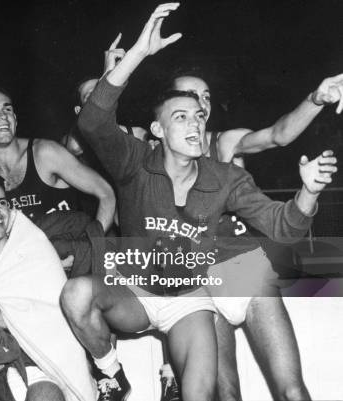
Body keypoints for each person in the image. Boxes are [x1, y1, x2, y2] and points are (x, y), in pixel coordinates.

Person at [63, 4, 337, 401]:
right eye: (185, 108)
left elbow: (279, 143)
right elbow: (94, 123)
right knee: (223, 393)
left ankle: (171, 369)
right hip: (177, 282)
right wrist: (136, 54)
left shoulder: (225, 152)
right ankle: (121, 371)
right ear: (158, 126)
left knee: (291, 390)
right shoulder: (138, 158)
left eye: (203, 105)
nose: (197, 116)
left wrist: (308, 186)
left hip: (231, 270)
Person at [164, 54, 343, 401]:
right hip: (196, 282)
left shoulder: (224, 143)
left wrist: (316, 98)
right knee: (226, 395)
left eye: (206, 96)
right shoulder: (152, 153)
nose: (200, 103)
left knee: (291, 390)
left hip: (240, 267)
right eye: (189, 95)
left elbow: (278, 135)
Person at [0, 171, 97, 401]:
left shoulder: (34, 252)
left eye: (1, 203)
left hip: (42, 363)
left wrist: (5, 318)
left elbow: (63, 322)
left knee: (46, 395)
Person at [0, 85, 116, 231]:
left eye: (7, 109)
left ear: (15, 119)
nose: (3, 116)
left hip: (72, 250)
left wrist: (92, 245)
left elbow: (106, 193)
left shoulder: (44, 153)